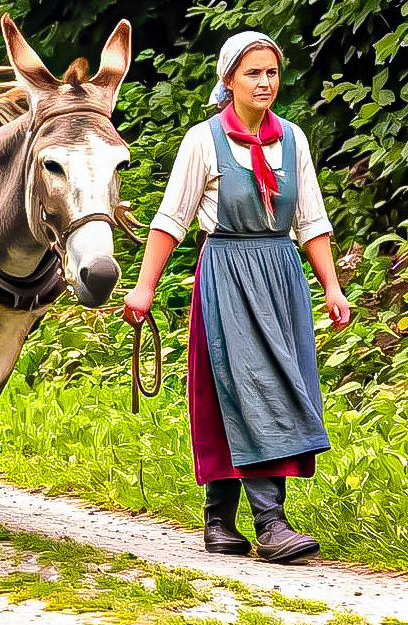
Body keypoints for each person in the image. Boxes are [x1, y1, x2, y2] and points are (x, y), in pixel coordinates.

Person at [123, 31, 351, 563]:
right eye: (253, 73)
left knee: (278, 384)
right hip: (228, 274)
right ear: (229, 80)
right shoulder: (204, 141)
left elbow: (311, 222)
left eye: (272, 72)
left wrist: (332, 287)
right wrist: (144, 286)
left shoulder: (292, 139)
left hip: (281, 273)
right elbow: (171, 219)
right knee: (243, 385)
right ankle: (271, 523)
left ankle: (219, 520)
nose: (265, 82)